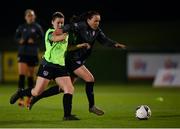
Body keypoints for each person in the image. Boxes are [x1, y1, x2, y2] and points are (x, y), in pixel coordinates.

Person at [28, 10, 126, 115]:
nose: (97, 23)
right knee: (90, 79)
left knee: (63, 89)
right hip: (72, 59)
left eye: (98, 21)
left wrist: (115, 44)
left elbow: (104, 39)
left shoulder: (96, 30)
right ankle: (91, 106)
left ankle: (37, 97)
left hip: (79, 59)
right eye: (95, 21)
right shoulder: (81, 26)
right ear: (88, 20)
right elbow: (68, 27)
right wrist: (59, 31)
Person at [10, 12, 79, 120]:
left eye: (62, 22)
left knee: (69, 88)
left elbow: (66, 47)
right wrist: (68, 30)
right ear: (52, 23)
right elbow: (56, 38)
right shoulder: (49, 32)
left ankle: (67, 115)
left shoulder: (65, 34)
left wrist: (79, 44)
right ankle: (21, 93)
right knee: (37, 92)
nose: (60, 24)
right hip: (48, 65)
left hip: (60, 66)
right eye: (58, 22)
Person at [14, 9, 44, 107]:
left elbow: (43, 38)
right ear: (25, 17)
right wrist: (20, 40)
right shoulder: (22, 27)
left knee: (30, 76)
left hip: (33, 53)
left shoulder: (37, 27)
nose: (30, 17)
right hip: (22, 53)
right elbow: (16, 38)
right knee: (22, 75)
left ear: (34, 17)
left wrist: (34, 40)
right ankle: (21, 99)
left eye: (32, 15)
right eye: (28, 15)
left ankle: (29, 98)